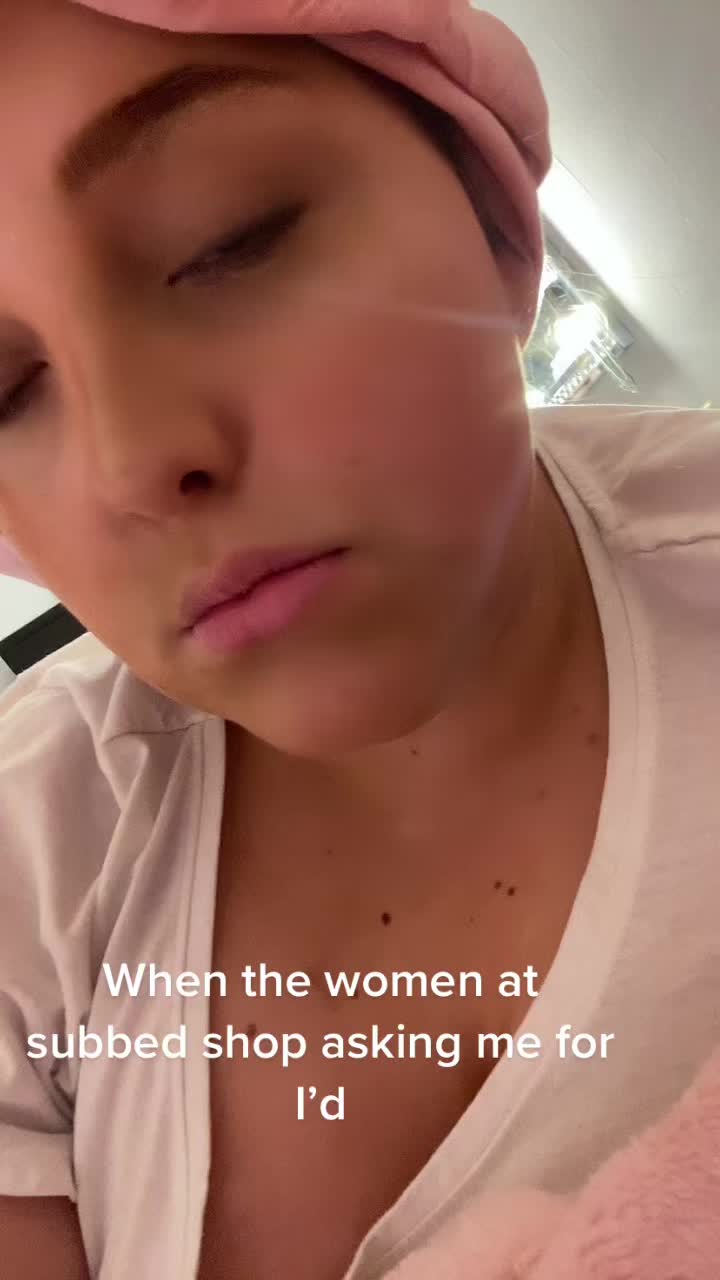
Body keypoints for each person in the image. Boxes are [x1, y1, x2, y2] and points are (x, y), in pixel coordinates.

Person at [0, 3, 718, 1279]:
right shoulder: (31, 840)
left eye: (228, 236)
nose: (135, 458)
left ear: (496, 221)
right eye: (2, 390)